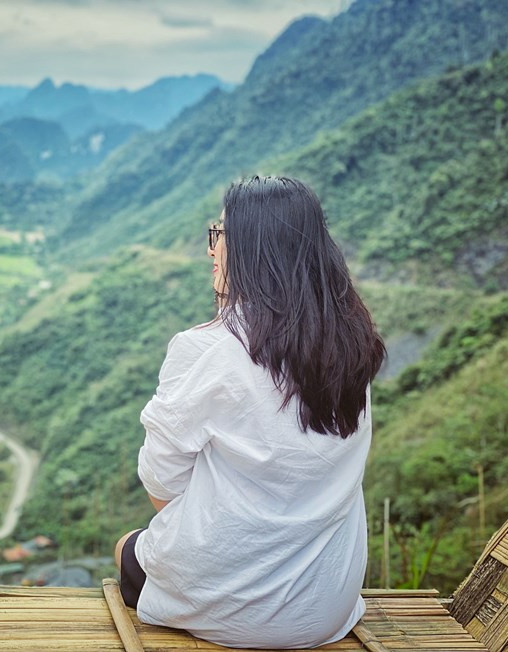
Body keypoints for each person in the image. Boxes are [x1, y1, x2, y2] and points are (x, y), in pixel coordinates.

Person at [114, 175, 386, 649]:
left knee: (126, 546)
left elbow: (162, 485)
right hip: (326, 607)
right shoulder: (353, 349)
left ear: (250, 253)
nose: (211, 251)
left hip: (230, 607)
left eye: (219, 236)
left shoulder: (205, 348)